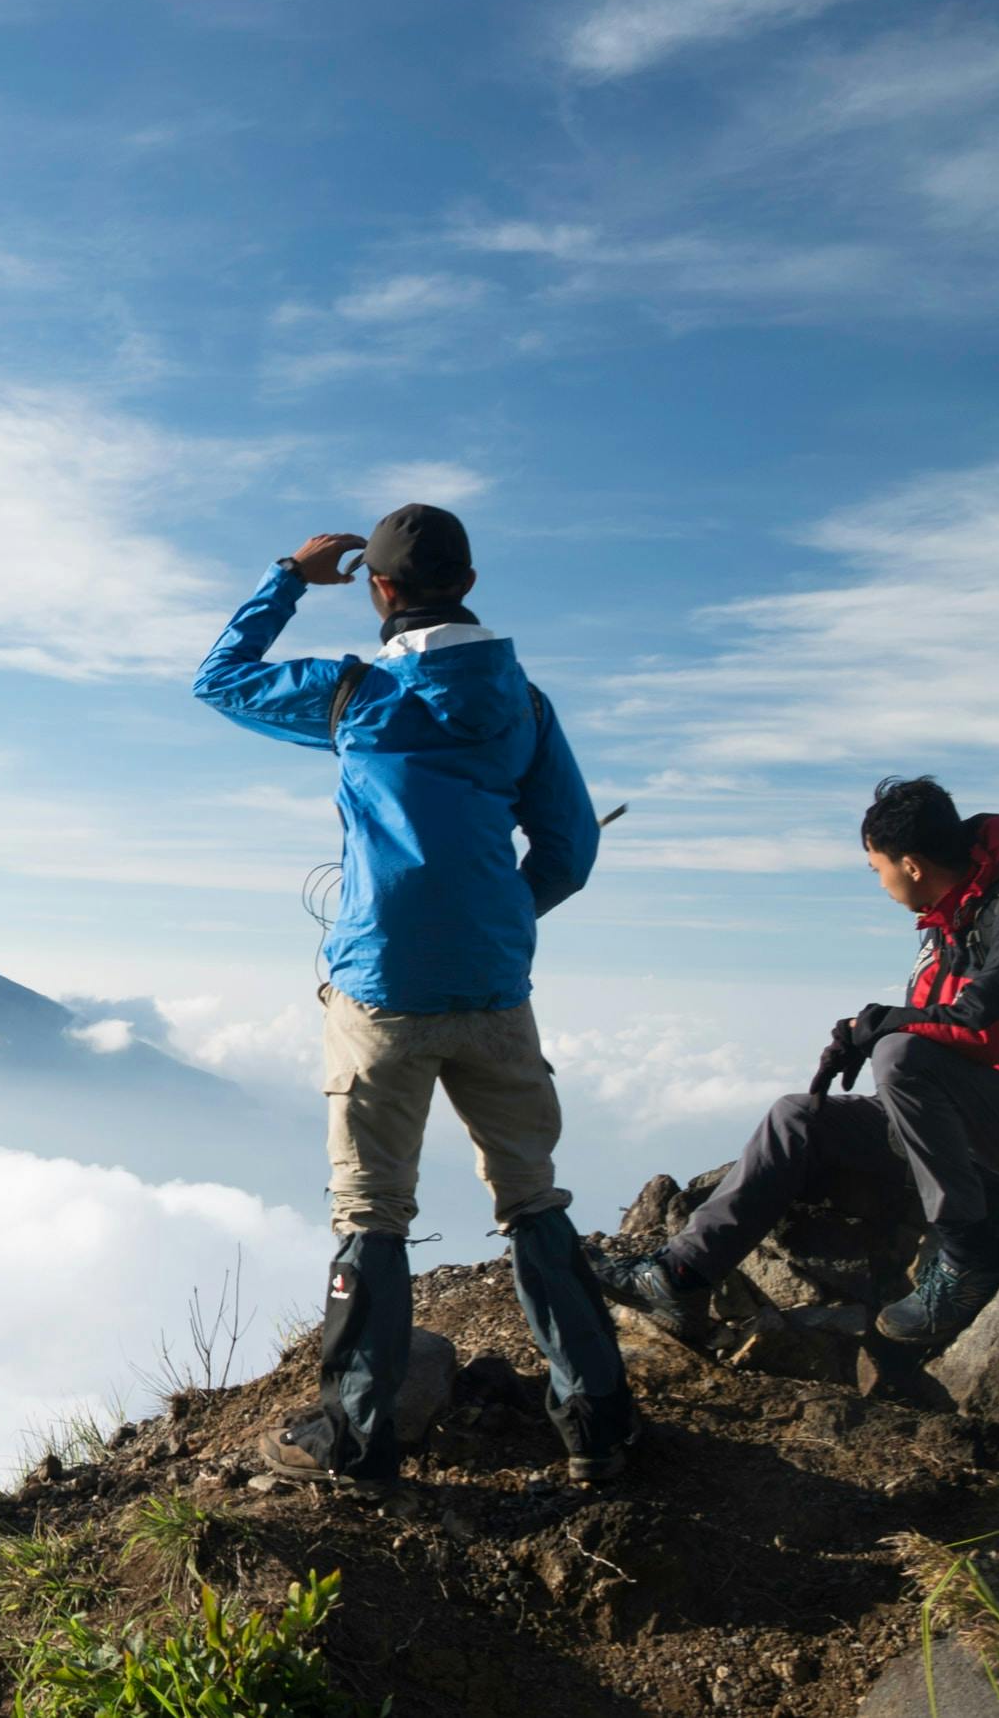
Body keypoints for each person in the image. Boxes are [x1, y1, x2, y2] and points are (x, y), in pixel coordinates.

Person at [192, 502, 633, 1489]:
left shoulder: (356, 695)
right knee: (531, 1199)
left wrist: (290, 576)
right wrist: (504, 920)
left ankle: (356, 1438)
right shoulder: (522, 703)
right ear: (467, 583)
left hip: (378, 987)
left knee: (371, 1210)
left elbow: (218, 681)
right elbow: (570, 847)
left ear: (381, 590)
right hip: (490, 986)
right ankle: (599, 1423)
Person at [596, 777, 999, 1347]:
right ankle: (680, 1277)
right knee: (796, 1118)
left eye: (877, 868)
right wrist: (862, 1033)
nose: (879, 881)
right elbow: (944, 1026)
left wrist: (881, 1028)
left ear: (912, 863)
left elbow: (986, 1030)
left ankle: (966, 1261)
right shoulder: (955, 919)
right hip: (992, 1116)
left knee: (900, 1052)